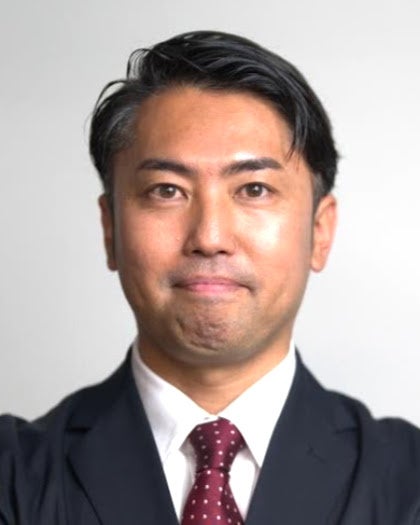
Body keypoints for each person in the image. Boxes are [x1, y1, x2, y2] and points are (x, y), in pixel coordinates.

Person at [1, 30, 419, 525]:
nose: (210, 237)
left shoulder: (407, 482)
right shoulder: (14, 478)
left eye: (254, 189)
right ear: (110, 229)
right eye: (166, 190)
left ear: (320, 231)